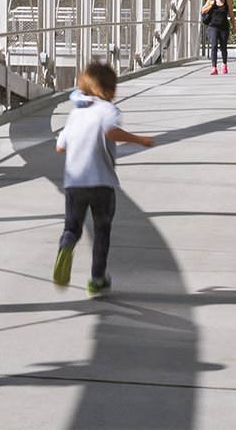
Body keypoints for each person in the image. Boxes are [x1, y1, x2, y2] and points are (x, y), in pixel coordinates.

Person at [52, 60, 154, 297]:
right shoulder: (108, 110)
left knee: (72, 229)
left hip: (74, 183)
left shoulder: (76, 113)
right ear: (109, 89)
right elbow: (110, 131)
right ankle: (97, 279)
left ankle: (66, 245)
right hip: (102, 183)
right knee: (101, 231)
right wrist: (140, 139)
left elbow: (60, 147)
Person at [200, 0, 232, 75]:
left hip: (224, 27)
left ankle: (224, 64)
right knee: (213, 45)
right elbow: (202, 11)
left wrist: (234, 27)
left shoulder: (227, 1)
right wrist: (211, 5)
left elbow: (231, 15)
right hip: (213, 26)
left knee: (223, 47)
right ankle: (214, 67)